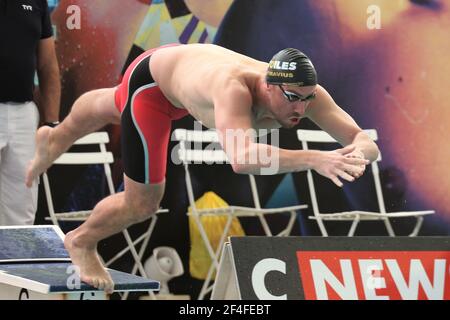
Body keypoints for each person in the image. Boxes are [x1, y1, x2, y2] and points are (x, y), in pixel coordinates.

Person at [26, 43, 377, 292]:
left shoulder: (304, 92)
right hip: (153, 85)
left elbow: (365, 140)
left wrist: (356, 152)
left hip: (178, 75)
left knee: (112, 102)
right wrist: (317, 158)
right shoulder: (233, 89)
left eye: (307, 98)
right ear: (268, 86)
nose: (300, 108)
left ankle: (55, 139)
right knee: (144, 202)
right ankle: (83, 241)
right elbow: (242, 160)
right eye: (292, 98)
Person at [0, 0, 60, 225]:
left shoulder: (37, 2)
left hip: (23, 115)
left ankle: (16, 260)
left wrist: (52, 124)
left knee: (21, 210)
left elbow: (48, 65)